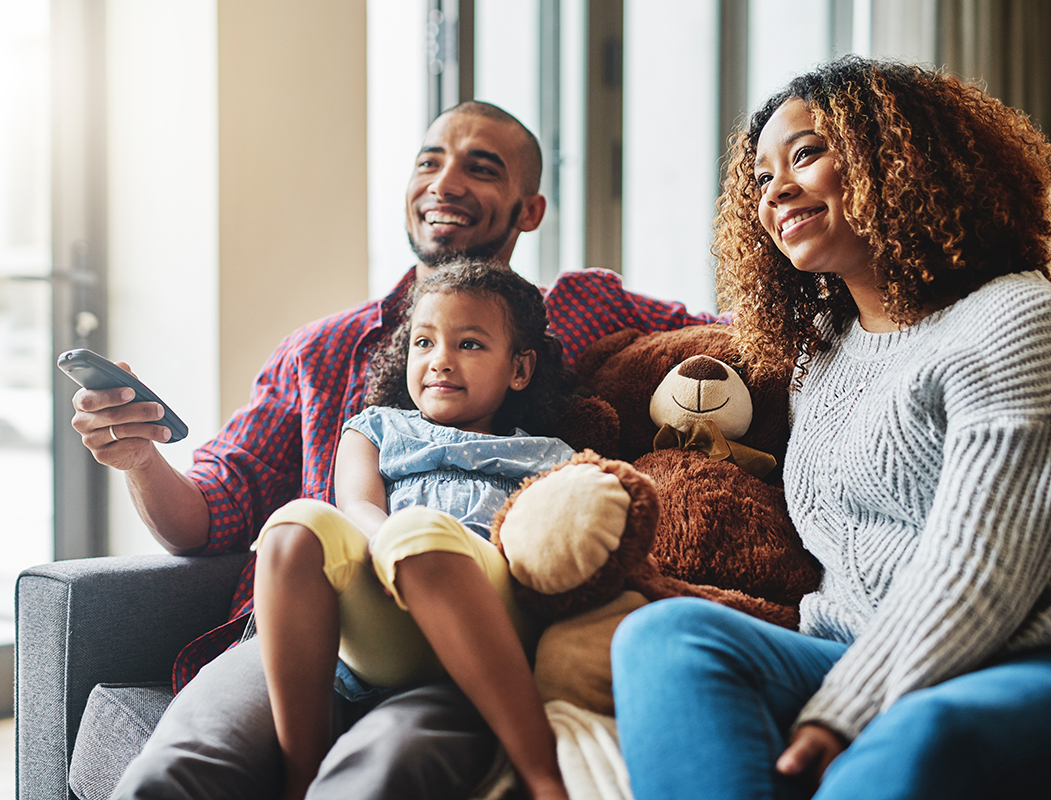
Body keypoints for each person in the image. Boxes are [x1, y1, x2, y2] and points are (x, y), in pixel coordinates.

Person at [76, 100, 723, 799]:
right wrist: (140, 458)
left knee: (380, 776)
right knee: (173, 777)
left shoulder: (583, 312)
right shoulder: (322, 350)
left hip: (465, 633)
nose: (445, 183)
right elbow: (208, 514)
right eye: (429, 162)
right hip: (305, 634)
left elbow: (739, 340)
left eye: (481, 168)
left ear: (527, 210)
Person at [610, 56, 1051, 800]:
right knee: (662, 638)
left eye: (806, 154)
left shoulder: (1016, 317)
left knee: (917, 733)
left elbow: (981, 571)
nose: (775, 190)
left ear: (900, 159)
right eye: (759, 178)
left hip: (1003, 656)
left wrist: (844, 713)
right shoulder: (823, 347)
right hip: (845, 651)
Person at [256, 261, 575, 800]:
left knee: (420, 533)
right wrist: (384, 540)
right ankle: (300, 778)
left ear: (519, 369)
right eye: (424, 343)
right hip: (384, 602)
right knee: (292, 529)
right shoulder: (374, 428)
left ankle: (542, 774)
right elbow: (355, 503)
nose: (440, 361)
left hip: (489, 605)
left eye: (469, 345)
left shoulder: (550, 456)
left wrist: (408, 536)